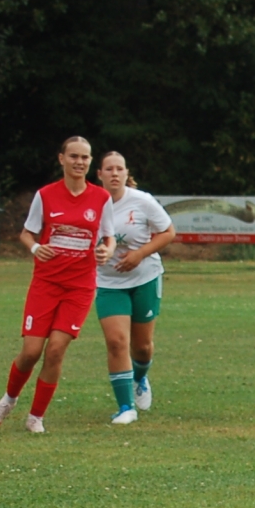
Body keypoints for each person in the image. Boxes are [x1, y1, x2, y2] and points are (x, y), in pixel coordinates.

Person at [0, 136, 114, 433]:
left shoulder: (101, 198)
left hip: (80, 287)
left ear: (90, 162)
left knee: (56, 349)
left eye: (85, 157)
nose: (79, 162)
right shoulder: (45, 195)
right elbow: (26, 234)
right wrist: (35, 248)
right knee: (31, 351)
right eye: (74, 156)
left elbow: (109, 237)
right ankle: (8, 400)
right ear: (61, 159)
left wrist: (107, 250)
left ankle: (36, 417)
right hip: (46, 283)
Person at [93, 151, 176, 424]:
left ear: (127, 173)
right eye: (109, 169)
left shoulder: (142, 201)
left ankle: (140, 378)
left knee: (142, 347)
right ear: (100, 174)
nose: (115, 174)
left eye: (120, 169)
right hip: (108, 283)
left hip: (145, 279)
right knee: (117, 342)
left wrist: (139, 254)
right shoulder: (90, 204)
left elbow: (168, 232)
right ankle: (126, 407)